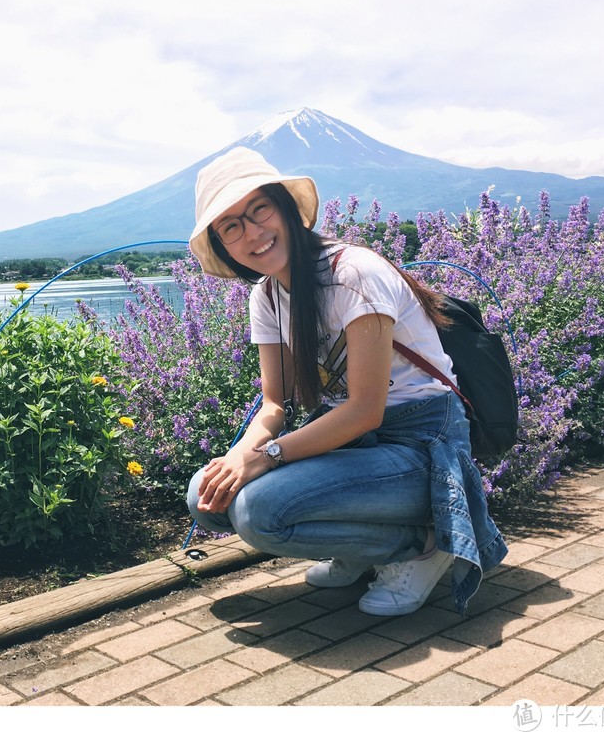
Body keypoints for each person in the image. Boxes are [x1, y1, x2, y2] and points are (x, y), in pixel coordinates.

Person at [186, 146, 507, 616]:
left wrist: (270, 456)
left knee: (261, 512)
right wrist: (240, 457)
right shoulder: (268, 295)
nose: (253, 233)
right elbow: (274, 402)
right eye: (231, 226)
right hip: (356, 445)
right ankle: (364, 549)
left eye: (260, 210)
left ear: (289, 209)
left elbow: (364, 409)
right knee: (205, 497)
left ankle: (425, 546)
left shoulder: (354, 275)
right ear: (223, 246)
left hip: (422, 442)